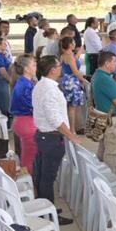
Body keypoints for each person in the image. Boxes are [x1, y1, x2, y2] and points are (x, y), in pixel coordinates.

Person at [33, 55, 81, 213]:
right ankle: (48, 212)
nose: (61, 67)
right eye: (59, 65)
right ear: (53, 70)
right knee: (47, 177)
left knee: (42, 175)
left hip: (44, 136)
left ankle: (45, 207)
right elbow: (55, 119)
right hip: (51, 138)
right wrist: (71, 136)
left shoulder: (42, 84)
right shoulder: (49, 89)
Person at [92, 51, 116, 161]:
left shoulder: (97, 75)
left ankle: (99, 173)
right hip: (111, 119)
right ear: (106, 64)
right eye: (114, 61)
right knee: (112, 152)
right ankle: (108, 176)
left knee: (103, 148)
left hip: (102, 114)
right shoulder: (106, 79)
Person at [10, 54, 38, 174]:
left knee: (28, 153)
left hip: (23, 121)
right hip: (26, 121)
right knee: (29, 157)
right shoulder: (25, 85)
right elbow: (32, 106)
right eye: (34, 64)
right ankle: (29, 183)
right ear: (26, 69)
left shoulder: (24, 82)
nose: (36, 66)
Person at [58, 36, 86, 134]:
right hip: (72, 82)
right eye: (73, 43)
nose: (75, 44)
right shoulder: (70, 57)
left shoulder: (64, 55)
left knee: (69, 106)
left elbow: (75, 59)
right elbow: (75, 71)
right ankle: (72, 129)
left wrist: (81, 50)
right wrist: (83, 80)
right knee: (72, 107)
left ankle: (71, 128)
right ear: (70, 45)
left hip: (66, 80)